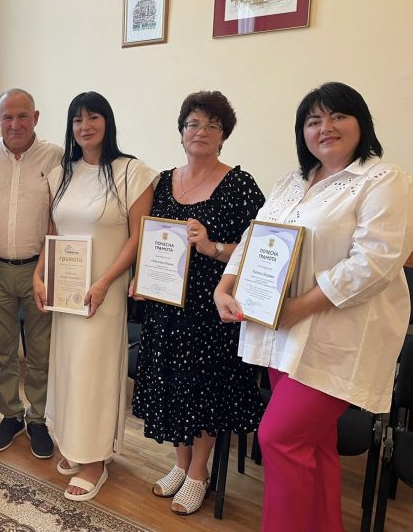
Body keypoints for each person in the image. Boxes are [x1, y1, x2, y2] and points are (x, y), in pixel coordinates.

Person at [214, 82, 413, 531]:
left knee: (278, 439)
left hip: (337, 340)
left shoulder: (384, 179)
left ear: (361, 123)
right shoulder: (293, 180)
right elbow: (254, 237)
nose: (326, 128)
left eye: (338, 116)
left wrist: (300, 307)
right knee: (314, 446)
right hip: (281, 334)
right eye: (313, 120)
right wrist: (225, 286)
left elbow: (374, 262)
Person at [130, 91, 266, 515]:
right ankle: (180, 462)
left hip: (210, 311)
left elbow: (259, 252)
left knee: (202, 389)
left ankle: (199, 472)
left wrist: (211, 247)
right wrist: (140, 276)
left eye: (212, 125)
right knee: (171, 384)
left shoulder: (240, 186)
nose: (201, 131)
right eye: (193, 123)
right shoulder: (162, 182)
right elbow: (148, 237)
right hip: (165, 306)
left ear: (224, 135)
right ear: (181, 132)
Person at [33, 91, 157, 502]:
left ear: (108, 121)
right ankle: (75, 444)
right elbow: (53, 231)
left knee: (95, 371)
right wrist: (39, 273)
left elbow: (138, 235)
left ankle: (95, 460)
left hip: (104, 291)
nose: (85, 126)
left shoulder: (132, 172)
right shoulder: (61, 174)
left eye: (93, 117)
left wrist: (105, 282)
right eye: (77, 120)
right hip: (66, 291)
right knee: (69, 368)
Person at [0, 88, 63, 458]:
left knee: (40, 352)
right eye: (7, 117)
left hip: (41, 268)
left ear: (35, 118)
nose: (15, 124)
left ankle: (37, 419)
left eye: (23, 116)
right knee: (3, 351)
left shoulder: (56, 156)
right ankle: (11, 415)